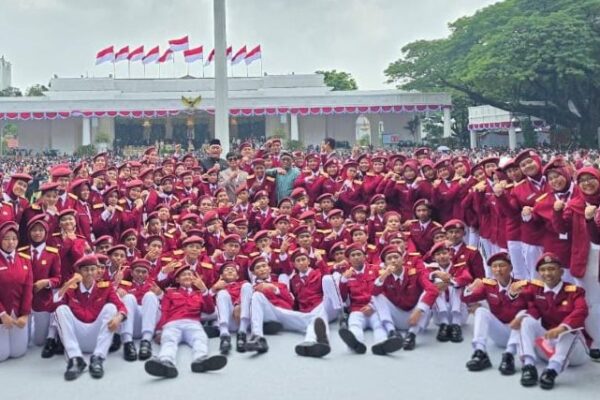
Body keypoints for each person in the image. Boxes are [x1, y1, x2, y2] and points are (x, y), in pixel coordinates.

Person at [511, 253, 590, 390]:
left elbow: (581, 311)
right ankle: (528, 366)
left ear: (561, 272)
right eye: (543, 270)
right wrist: (515, 298)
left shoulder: (574, 292)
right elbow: (527, 305)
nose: (547, 273)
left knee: (571, 329)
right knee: (526, 320)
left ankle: (552, 371)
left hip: (575, 353)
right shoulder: (537, 290)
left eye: (551, 269)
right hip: (549, 347)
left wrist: (561, 328)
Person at [144, 265, 227, 378]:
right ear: (177, 280)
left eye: (190, 274)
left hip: (193, 323)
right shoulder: (170, 293)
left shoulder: (199, 293)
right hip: (173, 323)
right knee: (169, 341)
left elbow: (210, 310)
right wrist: (159, 330)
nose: (187, 276)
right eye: (184, 275)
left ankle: (200, 360)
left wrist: (204, 290)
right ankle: (166, 362)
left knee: (200, 338)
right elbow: (165, 311)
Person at [53, 254, 127, 381]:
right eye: (86, 270)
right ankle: (75, 359)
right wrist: (69, 283)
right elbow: (55, 302)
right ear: (79, 272)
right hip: (77, 338)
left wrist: (118, 318)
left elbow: (122, 307)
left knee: (111, 307)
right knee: (61, 309)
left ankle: (98, 358)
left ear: (97, 271)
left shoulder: (106, 287)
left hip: (96, 337)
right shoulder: (71, 289)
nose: (89, 273)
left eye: (93, 269)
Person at [462, 252, 528, 375]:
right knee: (481, 311)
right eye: (494, 266)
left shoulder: (522, 286)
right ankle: (480, 353)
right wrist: (470, 288)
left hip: (519, 335)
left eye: (502, 265)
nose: (498, 270)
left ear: (511, 267)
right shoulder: (489, 286)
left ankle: (509, 356)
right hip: (500, 332)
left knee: (524, 313)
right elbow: (466, 299)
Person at [338, 244, 402, 355]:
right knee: (354, 325)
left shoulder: (376, 270)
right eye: (353, 255)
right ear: (348, 259)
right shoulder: (347, 274)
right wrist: (343, 280)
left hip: (375, 308)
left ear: (365, 257)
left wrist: (373, 306)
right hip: (357, 309)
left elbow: (384, 290)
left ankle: (382, 344)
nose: (356, 257)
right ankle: (356, 343)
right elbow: (343, 298)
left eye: (359, 254)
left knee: (379, 326)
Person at [372, 245, 438, 351]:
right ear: (385, 264)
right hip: (397, 316)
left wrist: (419, 310)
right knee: (376, 296)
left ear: (403, 260)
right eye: (389, 258)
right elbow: (374, 292)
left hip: (416, 317)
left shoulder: (415, 273)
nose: (393, 261)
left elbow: (433, 290)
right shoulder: (384, 276)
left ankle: (411, 336)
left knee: (427, 295)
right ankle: (392, 332)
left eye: (396, 257)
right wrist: (384, 275)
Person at [0, 221, 32, 362]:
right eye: (6, 239)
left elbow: (28, 289)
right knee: (2, 355)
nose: (10, 242)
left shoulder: (25, 260)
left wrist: (24, 314)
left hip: (17, 312)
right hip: (2, 313)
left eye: (14, 239)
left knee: (18, 352)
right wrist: (2, 314)